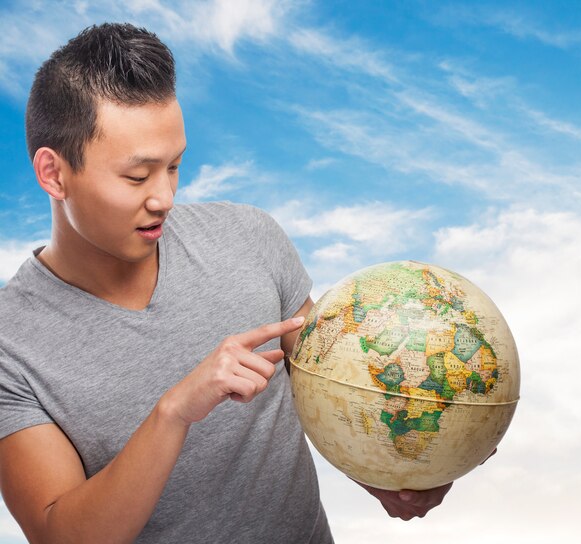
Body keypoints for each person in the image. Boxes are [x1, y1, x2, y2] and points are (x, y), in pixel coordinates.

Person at [0, 23, 452, 543]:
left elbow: (333, 388)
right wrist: (173, 413)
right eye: (137, 176)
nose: (164, 197)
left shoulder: (250, 237)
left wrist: (386, 473)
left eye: (174, 166)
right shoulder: (12, 345)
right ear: (53, 174)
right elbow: (61, 535)